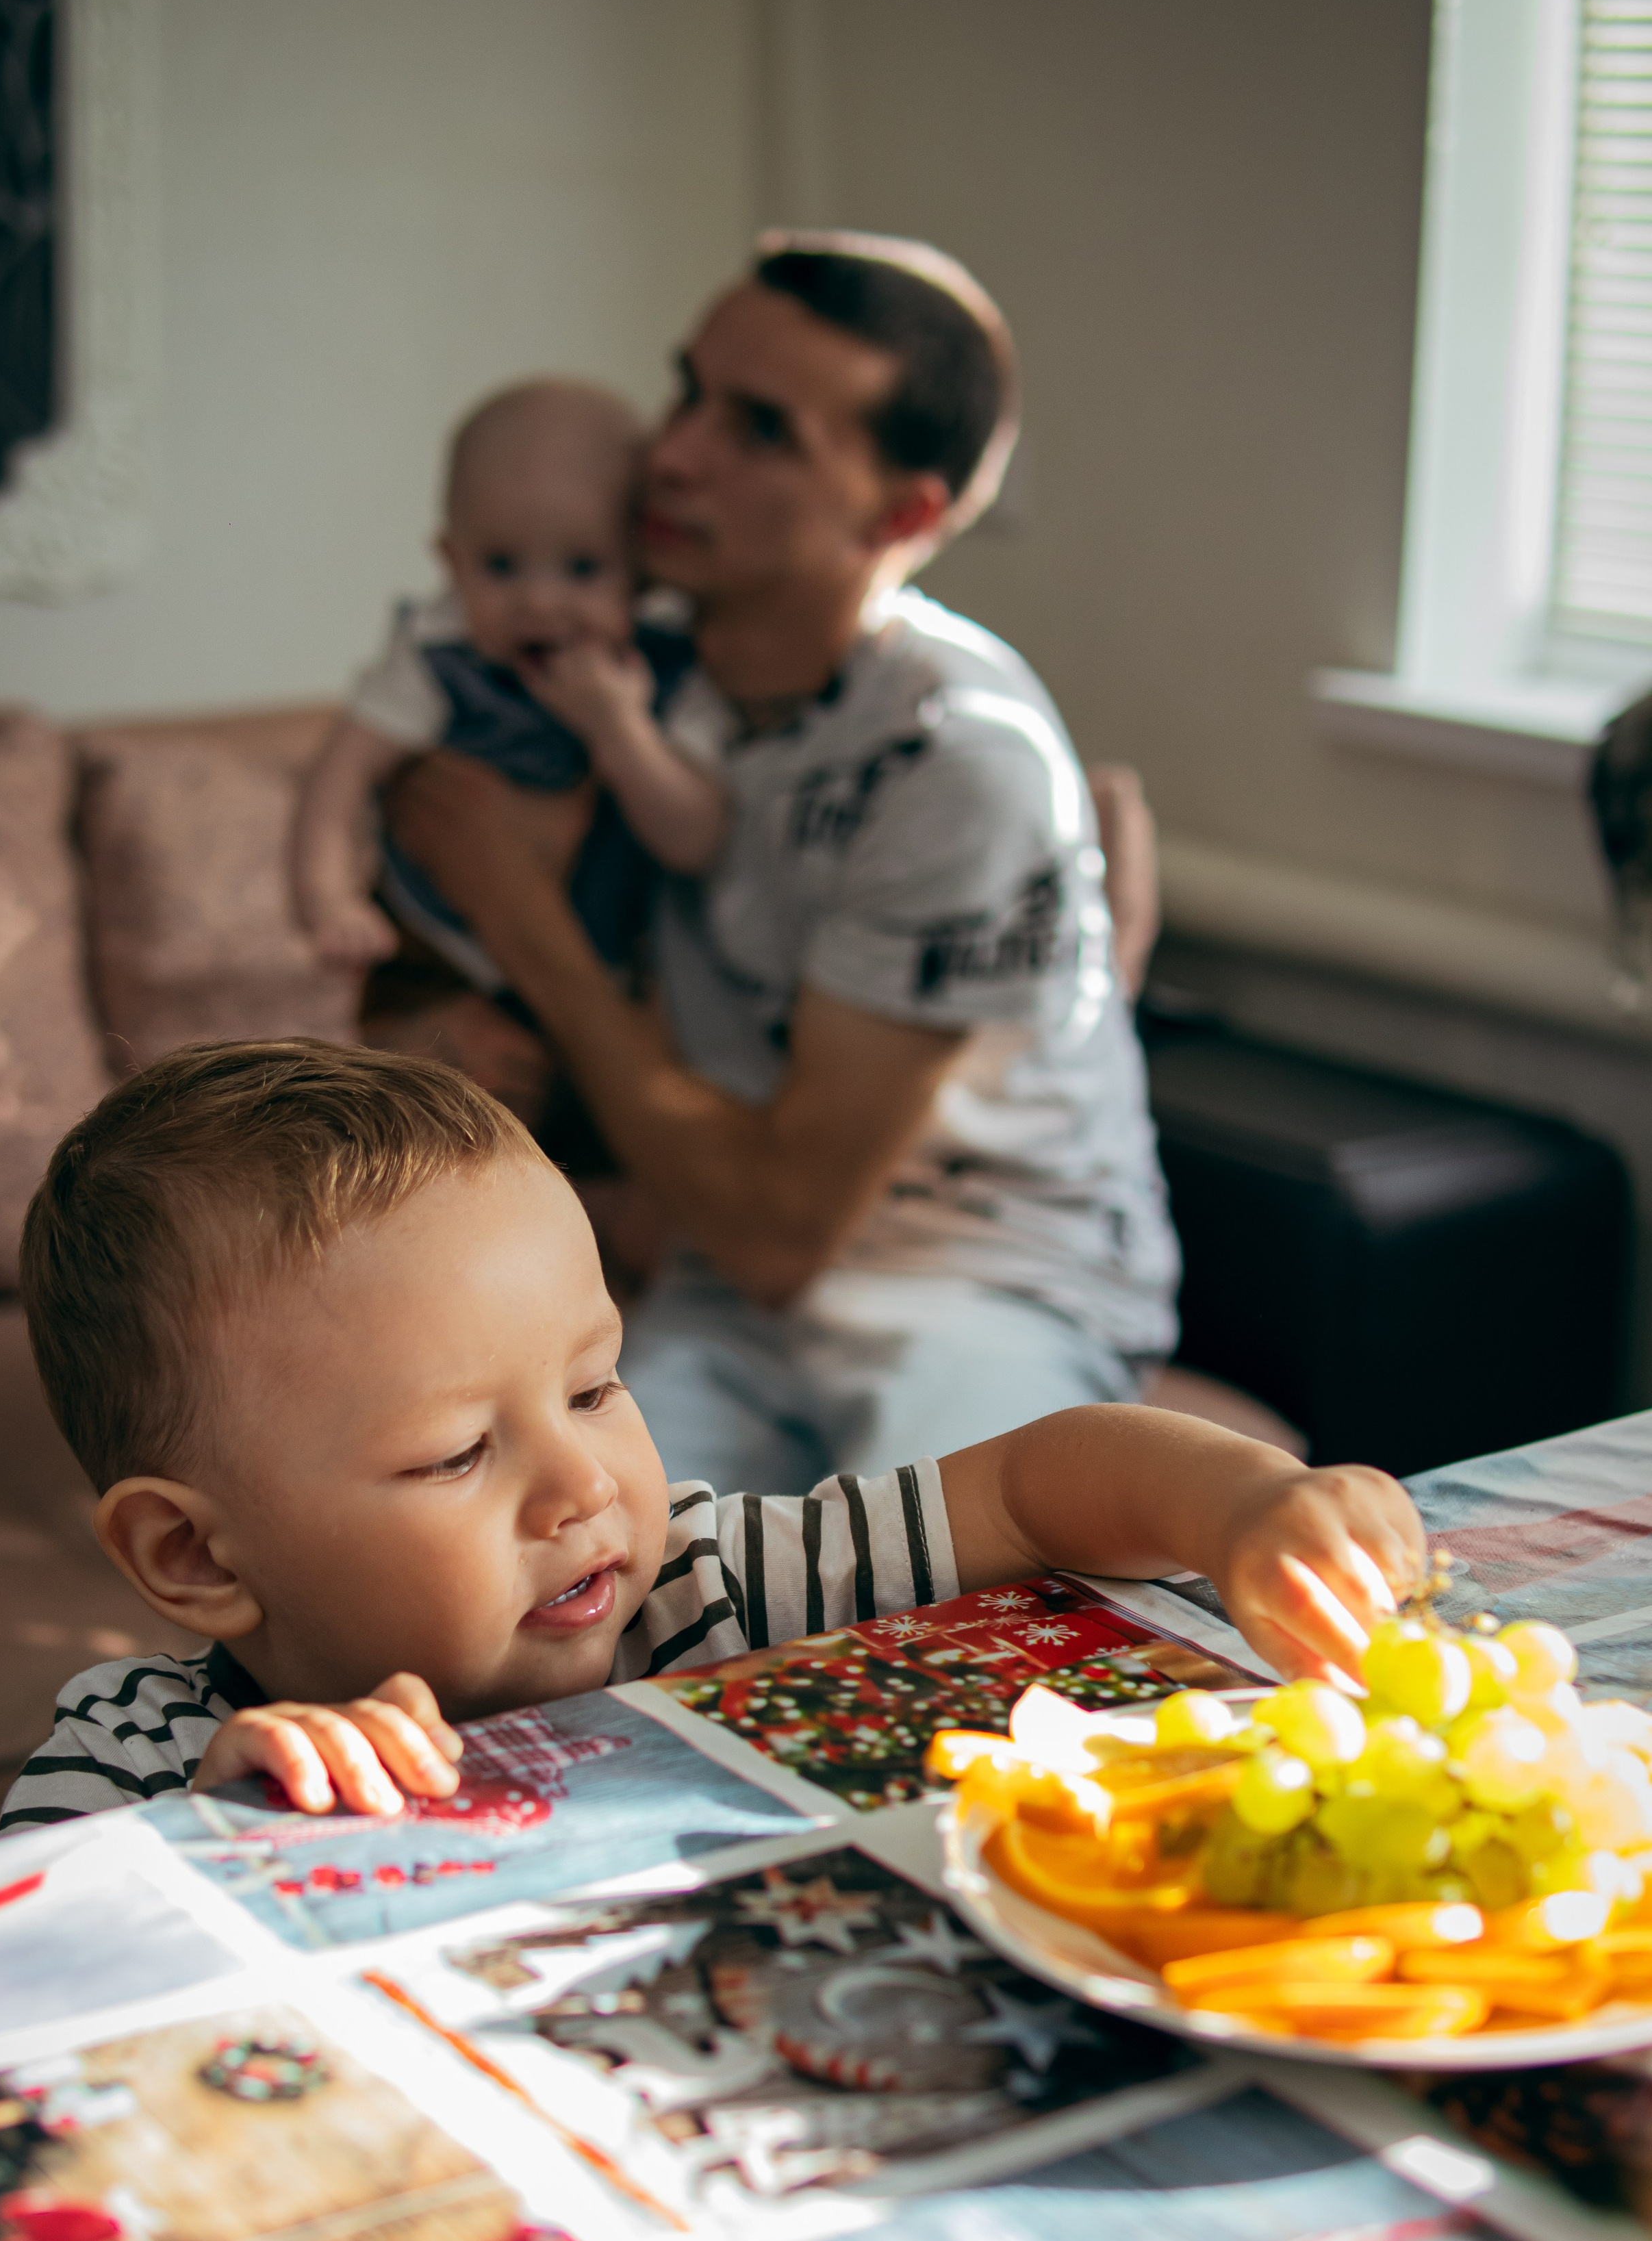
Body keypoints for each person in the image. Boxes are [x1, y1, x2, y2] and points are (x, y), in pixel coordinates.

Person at [1, 1043, 1420, 1829]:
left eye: (593, 1386)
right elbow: (15, 2013)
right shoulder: (127, 1757)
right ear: (191, 1554)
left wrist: (1244, 1510)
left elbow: (1040, 1490)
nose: (581, 1489)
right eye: (456, 1455)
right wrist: (217, 1830)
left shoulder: (706, 1585)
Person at [383, 231, 1181, 1498]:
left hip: (981, 1278)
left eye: (760, 430)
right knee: (590, 1606)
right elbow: (425, 957)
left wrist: (517, 908)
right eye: (688, 389)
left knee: (915, 1623)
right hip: (719, 1285)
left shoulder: (955, 759)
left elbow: (778, 1230)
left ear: (903, 513)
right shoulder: (605, 669)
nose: (675, 450)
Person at [291, 377, 726, 1012]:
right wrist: (329, 899)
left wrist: (621, 730)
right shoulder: (439, 649)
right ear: (451, 559)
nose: (540, 603)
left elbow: (697, 838)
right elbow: (340, 775)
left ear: (640, 564)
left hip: (604, 972)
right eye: (500, 566)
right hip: (437, 951)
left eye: (583, 569)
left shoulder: (668, 663)